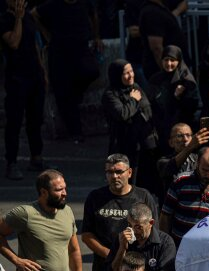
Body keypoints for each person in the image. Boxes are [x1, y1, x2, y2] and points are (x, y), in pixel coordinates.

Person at [0, 170, 83, 271]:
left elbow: (74, 250)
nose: (65, 193)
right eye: (59, 190)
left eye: (65, 188)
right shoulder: (25, 213)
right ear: (43, 192)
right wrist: (17, 260)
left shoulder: (67, 211)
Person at [82, 154, 159, 271]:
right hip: (104, 268)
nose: (114, 176)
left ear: (129, 172)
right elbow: (86, 235)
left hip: (135, 270)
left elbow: (154, 232)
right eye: (110, 172)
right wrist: (111, 254)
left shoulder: (143, 197)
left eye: (119, 172)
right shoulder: (95, 197)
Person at [31, 0, 99, 143]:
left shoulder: (83, 3)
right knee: (63, 92)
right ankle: (76, 132)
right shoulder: (54, 4)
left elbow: (93, 15)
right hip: (60, 52)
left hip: (80, 49)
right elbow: (34, 14)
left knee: (91, 72)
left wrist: (96, 36)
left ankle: (77, 94)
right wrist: (47, 35)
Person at [1, 0, 46, 180]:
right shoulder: (4, 19)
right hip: (16, 78)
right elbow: (13, 42)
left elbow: (36, 45)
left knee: (35, 118)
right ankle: (11, 162)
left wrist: (43, 72)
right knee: (14, 121)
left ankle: (36, 158)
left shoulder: (28, 17)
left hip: (34, 75)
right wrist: (18, 19)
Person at [159, 147, 209, 245]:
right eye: (204, 170)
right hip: (181, 247)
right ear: (197, 163)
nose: (208, 175)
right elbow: (165, 216)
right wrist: (165, 245)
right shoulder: (181, 182)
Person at [102, 60, 159, 182]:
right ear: (117, 75)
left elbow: (148, 110)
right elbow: (122, 114)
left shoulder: (135, 87)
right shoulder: (110, 94)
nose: (131, 75)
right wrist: (133, 100)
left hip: (145, 144)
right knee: (129, 181)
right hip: (125, 145)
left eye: (131, 71)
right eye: (126, 73)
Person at [108, 202, 176, 271]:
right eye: (130, 225)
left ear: (151, 223)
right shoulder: (122, 239)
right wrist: (122, 248)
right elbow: (114, 270)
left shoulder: (166, 242)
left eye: (138, 227)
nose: (133, 231)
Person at [147, 45, 201, 146]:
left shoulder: (187, 81)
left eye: (172, 60)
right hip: (162, 129)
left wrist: (178, 97)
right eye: (166, 60)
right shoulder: (155, 79)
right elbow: (151, 103)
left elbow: (195, 107)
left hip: (184, 131)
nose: (169, 63)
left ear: (179, 61)